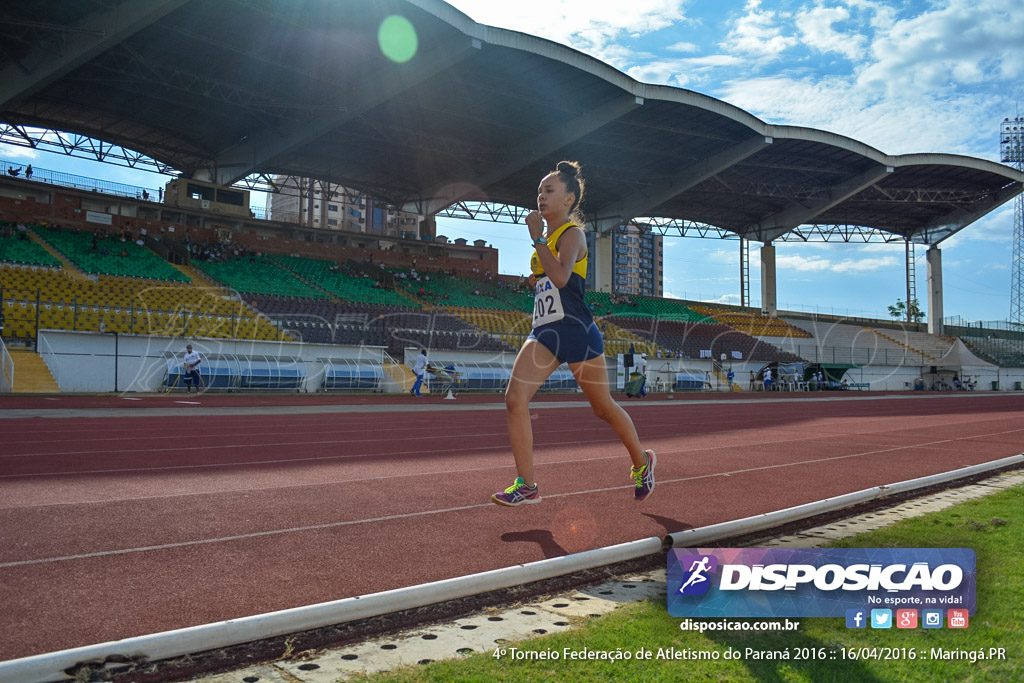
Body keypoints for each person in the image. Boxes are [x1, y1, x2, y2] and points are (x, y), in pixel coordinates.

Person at [491, 161, 655, 507]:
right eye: (538, 191)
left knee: (603, 408)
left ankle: (642, 461)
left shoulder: (572, 234)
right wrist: (535, 279)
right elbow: (552, 279)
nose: (540, 197)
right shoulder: (549, 239)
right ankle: (527, 484)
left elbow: (564, 278)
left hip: (577, 332)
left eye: (548, 191)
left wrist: (537, 241)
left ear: (569, 198)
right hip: (545, 333)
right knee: (514, 400)